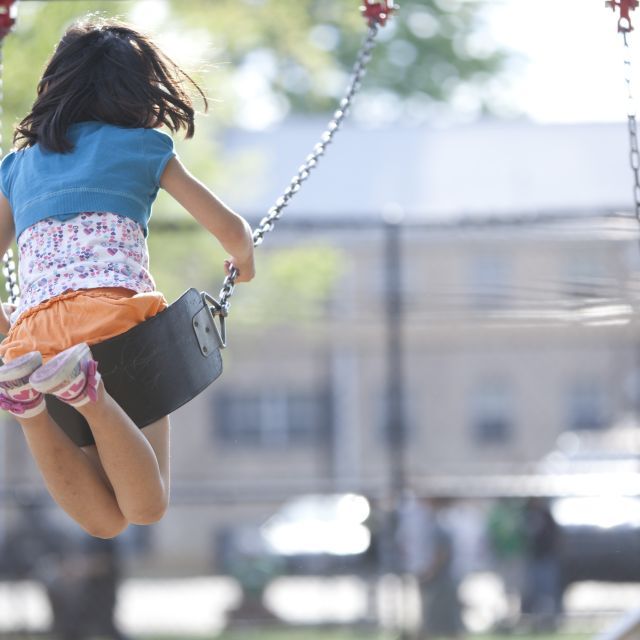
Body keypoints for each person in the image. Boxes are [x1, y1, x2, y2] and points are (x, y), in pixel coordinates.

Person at [0, 18, 255, 539]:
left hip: (37, 340)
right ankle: (88, 392)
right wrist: (243, 259)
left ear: (52, 85)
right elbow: (229, 228)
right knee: (146, 507)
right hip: (119, 324)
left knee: (104, 521)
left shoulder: (18, 166)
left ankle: (25, 408)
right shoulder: (143, 147)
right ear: (138, 90)